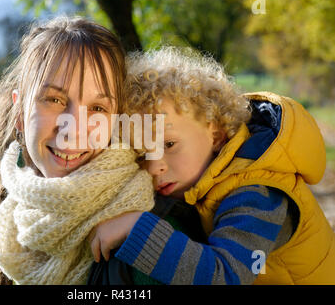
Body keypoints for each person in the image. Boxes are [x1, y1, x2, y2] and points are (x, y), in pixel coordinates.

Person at [88, 46, 335, 284]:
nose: (154, 168)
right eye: (142, 155)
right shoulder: (204, 178)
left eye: (169, 144)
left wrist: (136, 227)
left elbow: (225, 277)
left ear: (215, 135)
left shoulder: (258, 192)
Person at [0, 16, 155, 285]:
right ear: (20, 112)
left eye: (98, 109)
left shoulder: (149, 234)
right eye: (54, 100)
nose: (73, 129)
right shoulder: (15, 225)